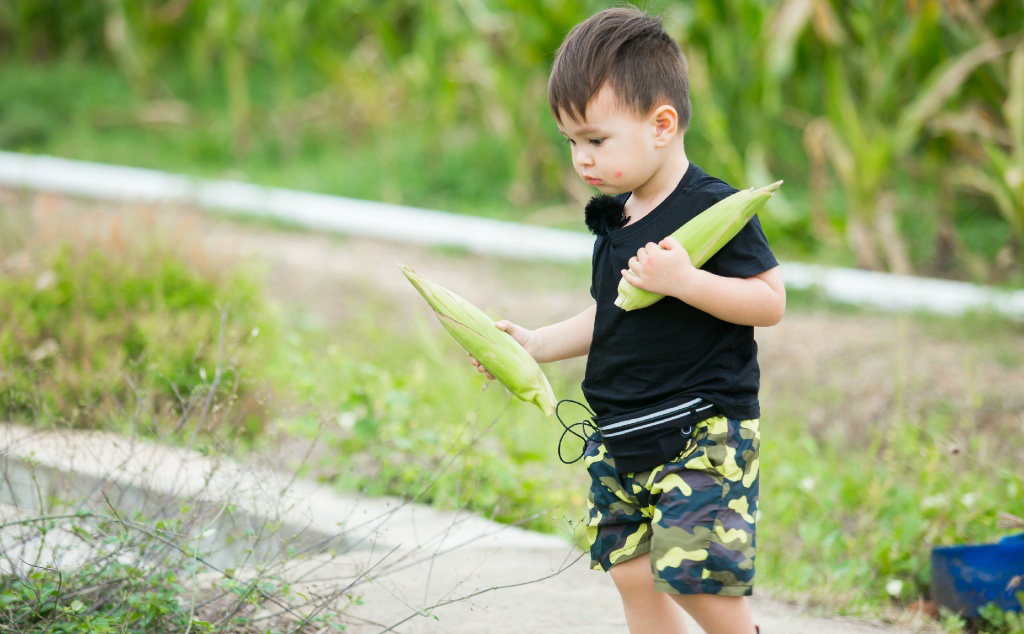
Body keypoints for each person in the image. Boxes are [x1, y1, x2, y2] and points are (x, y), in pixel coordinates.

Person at [472, 7, 785, 634]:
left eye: (595, 140)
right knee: (630, 569)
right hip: (621, 429)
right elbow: (608, 315)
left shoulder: (712, 209)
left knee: (691, 567)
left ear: (662, 125)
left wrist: (685, 281)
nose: (581, 159)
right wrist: (534, 344)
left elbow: (768, 301)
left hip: (703, 427)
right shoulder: (615, 222)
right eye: (571, 143)